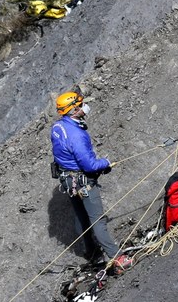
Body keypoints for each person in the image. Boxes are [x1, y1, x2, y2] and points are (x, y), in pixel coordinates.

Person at [50, 89, 132, 273]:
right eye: (80, 105)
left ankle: (93, 254)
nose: (84, 107)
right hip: (83, 181)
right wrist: (106, 163)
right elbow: (89, 165)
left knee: (82, 217)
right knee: (98, 221)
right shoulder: (77, 136)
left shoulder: (57, 128)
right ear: (73, 110)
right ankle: (117, 258)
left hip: (68, 181)